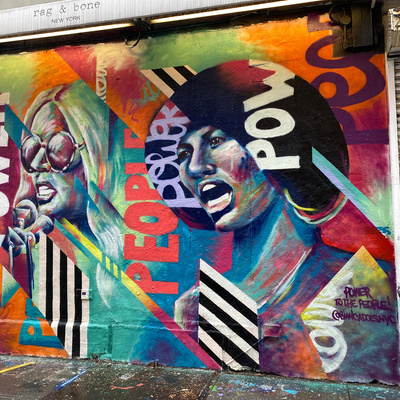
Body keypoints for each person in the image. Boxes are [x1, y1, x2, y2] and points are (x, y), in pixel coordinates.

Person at [145, 60, 396, 379]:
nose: (193, 167)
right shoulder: (194, 304)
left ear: (277, 148)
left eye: (216, 141)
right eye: (182, 154)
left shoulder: (357, 283)